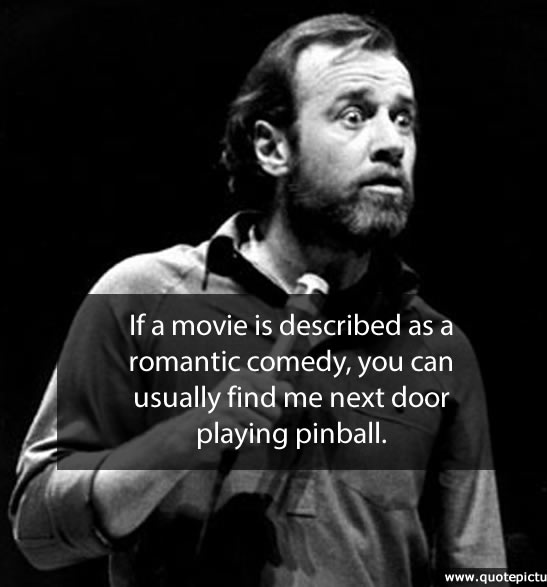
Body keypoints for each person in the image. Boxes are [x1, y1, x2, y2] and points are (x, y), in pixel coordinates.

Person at [9, 13, 506, 586]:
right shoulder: (141, 296)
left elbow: (478, 568)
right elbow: (38, 529)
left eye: (403, 119)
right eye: (354, 115)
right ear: (272, 147)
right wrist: (186, 436)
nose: (392, 143)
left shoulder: (441, 351)